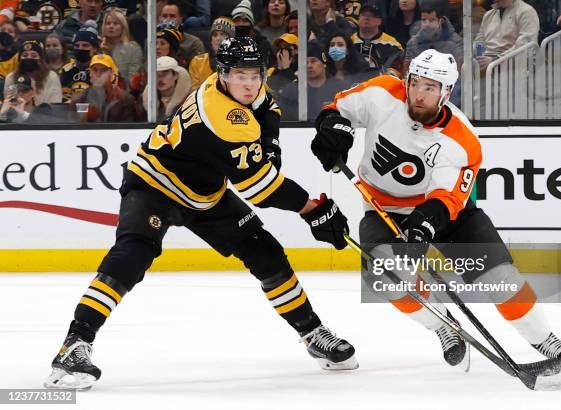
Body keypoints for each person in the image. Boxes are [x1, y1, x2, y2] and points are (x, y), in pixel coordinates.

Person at [44, 36, 357, 391]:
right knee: (132, 255)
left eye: (255, 75)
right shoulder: (224, 116)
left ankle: (312, 332)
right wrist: (314, 209)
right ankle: (74, 344)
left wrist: (269, 146)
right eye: (241, 75)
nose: (250, 83)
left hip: (204, 193)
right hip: (155, 184)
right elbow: (260, 189)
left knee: (264, 250)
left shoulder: (237, 91)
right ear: (223, 75)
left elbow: (268, 109)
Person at [309, 49, 561, 386]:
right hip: (384, 208)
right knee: (387, 278)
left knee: (499, 278)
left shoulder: (461, 140)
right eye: (416, 84)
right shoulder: (382, 92)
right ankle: (444, 327)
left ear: (446, 93)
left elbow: (446, 198)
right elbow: (337, 106)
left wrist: (423, 225)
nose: (419, 93)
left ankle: (544, 340)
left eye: (430, 87)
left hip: (447, 214)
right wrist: (332, 128)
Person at [70, 53, 139, 122]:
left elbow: (128, 129)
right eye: (94, 70)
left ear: (111, 73)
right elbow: (74, 126)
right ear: (90, 72)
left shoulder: (125, 100)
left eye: (103, 70)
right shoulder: (80, 99)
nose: (98, 74)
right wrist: (85, 116)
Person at [473, 0, 539, 72]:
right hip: (488, 62)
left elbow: (525, 44)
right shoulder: (488, 15)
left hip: (515, 65)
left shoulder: (526, 11)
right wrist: (476, 57)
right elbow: (479, 40)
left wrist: (496, 60)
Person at [351, 3, 403, 75]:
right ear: (358, 18)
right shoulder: (349, 41)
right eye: (363, 15)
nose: (367, 18)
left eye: (372, 16)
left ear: (380, 21)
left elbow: (398, 73)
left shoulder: (392, 44)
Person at [4, 40, 62, 104]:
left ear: (41, 60)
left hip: (45, 113)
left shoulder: (51, 76)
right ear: (19, 60)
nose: (29, 58)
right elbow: (9, 104)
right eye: (25, 55)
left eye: (34, 56)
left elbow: (55, 104)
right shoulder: (11, 77)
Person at [99, 8, 143, 88]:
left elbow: (132, 81)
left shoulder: (133, 48)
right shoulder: (98, 47)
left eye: (116, 23)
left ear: (123, 27)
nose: (111, 26)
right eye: (108, 23)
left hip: (125, 92)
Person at [189, 16, 234, 90]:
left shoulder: (239, 62)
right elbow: (195, 92)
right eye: (215, 35)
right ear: (211, 40)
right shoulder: (197, 61)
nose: (218, 38)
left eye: (223, 34)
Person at [59, 21, 99, 102]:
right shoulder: (66, 70)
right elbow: (63, 100)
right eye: (77, 46)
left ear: (95, 48)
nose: (80, 49)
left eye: (85, 45)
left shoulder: (100, 70)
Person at [231, 0, 275, 67]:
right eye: (237, 20)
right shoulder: (228, 43)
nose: (241, 24)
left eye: (245, 21)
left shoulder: (263, 43)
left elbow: (268, 67)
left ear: (251, 24)